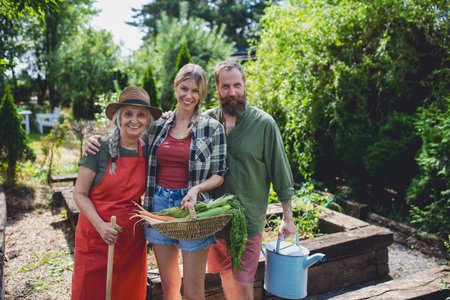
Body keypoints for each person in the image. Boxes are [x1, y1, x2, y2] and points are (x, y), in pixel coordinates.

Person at [84, 64, 228, 300]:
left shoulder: (212, 128)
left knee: (193, 291)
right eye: (184, 88)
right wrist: (93, 142)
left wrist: (196, 188)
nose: (188, 96)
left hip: (192, 208)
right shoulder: (158, 126)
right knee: (170, 286)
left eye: (195, 90)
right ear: (175, 87)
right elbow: (125, 136)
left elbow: (220, 173)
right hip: (158, 206)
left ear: (202, 94)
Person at [204, 60, 297, 300]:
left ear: (245, 85)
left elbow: (281, 173)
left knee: (243, 281)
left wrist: (288, 218)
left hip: (248, 221)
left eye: (237, 85)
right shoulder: (206, 122)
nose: (232, 92)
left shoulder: (264, 124)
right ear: (217, 88)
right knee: (226, 274)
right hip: (213, 220)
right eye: (226, 86)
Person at [72, 87, 162, 300]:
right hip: (95, 237)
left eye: (141, 115)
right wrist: (101, 226)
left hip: (131, 243)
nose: (134, 120)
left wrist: (168, 115)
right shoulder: (98, 148)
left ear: (147, 120)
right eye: (128, 113)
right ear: (119, 117)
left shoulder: (148, 150)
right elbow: (80, 194)